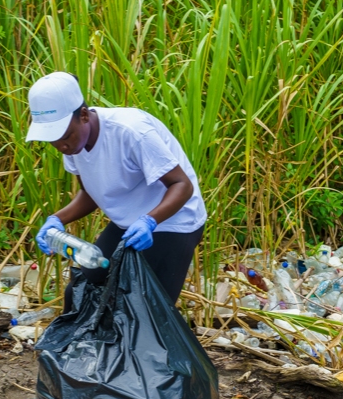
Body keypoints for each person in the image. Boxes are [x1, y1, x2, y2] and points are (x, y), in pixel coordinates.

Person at [25, 72, 207, 310]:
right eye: (52, 140)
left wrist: (149, 221)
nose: (61, 146)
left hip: (174, 221)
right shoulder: (73, 146)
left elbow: (182, 185)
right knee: (80, 294)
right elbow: (91, 194)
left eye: (65, 136)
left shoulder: (131, 132)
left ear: (83, 115)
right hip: (129, 223)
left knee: (147, 311)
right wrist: (57, 219)